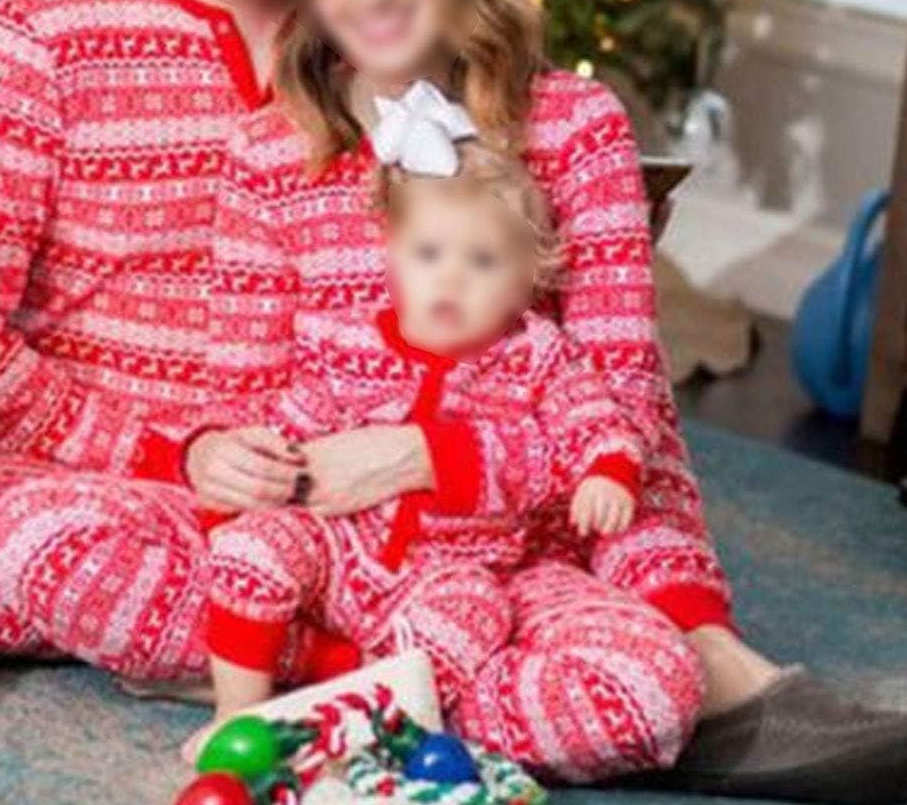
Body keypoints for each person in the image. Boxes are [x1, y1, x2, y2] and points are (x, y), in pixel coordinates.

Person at [0, 0, 907, 796]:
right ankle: (397, 685)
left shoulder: (465, 73)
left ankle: (649, 668)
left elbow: (611, 393)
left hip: (450, 517)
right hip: (188, 493)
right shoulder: (84, 42)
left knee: (615, 626)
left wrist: (663, 593)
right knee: (31, 557)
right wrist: (186, 455)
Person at [202, 0, 907, 799]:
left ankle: (685, 674)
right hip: (334, 552)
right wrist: (220, 454)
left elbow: (624, 408)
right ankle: (344, 681)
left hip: (526, 556)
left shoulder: (575, 125)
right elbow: (230, 402)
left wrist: (430, 458)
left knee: (641, 682)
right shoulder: (263, 151)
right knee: (78, 565)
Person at [191, 123, 641, 759]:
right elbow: (294, 422)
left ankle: (350, 715)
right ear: (394, 257)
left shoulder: (537, 355)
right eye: (429, 255)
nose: (451, 280)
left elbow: (589, 418)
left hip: (449, 568)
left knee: (476, 615)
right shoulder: (349, 344)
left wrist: (609, 471)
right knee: (254, 547)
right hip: (343, 548)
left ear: (525, 284)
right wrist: (240, 494)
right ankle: (238, 713)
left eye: (482, 262)